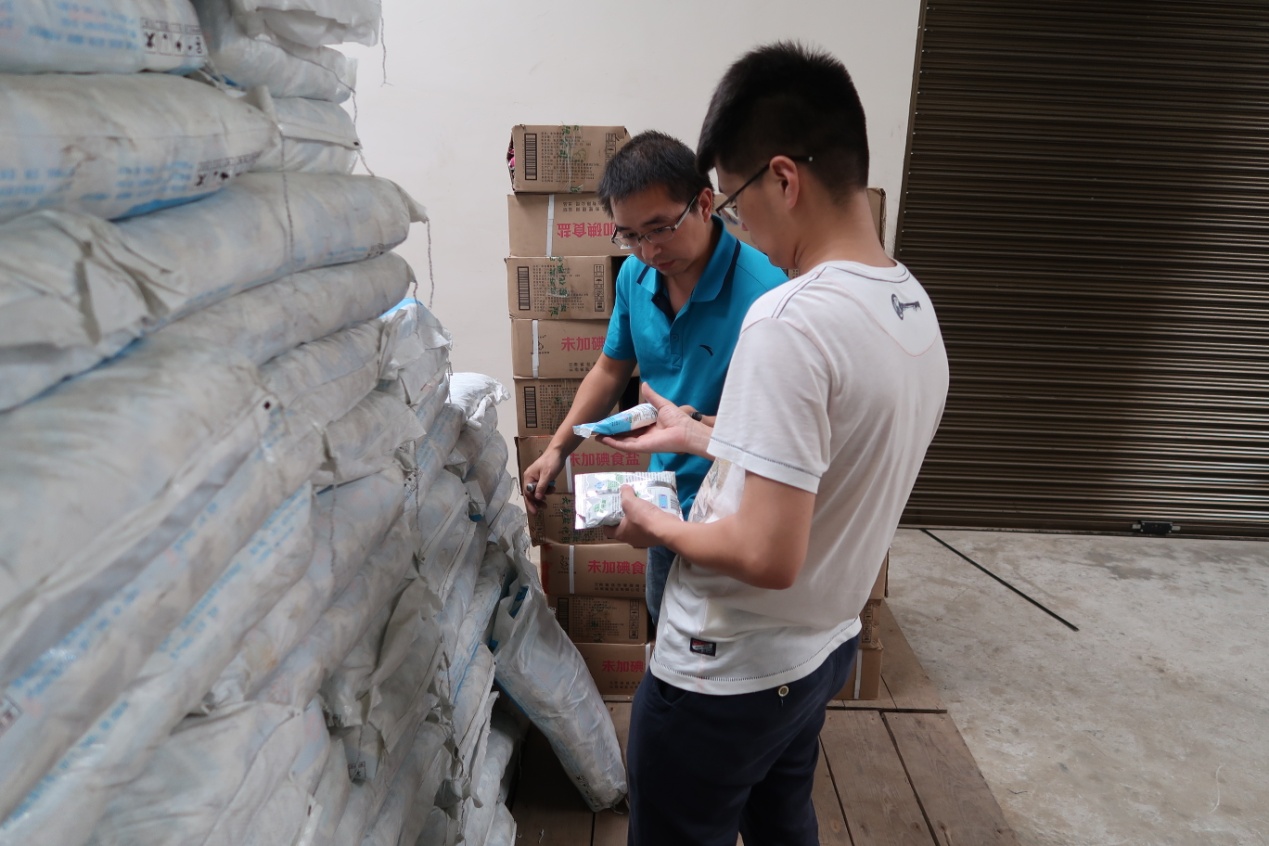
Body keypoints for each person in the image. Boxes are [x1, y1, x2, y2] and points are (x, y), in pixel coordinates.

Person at [598, 43, 951, 846]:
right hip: (818, 649)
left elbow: (765, 554)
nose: (738, 226)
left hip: (725, 669)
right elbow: (828, 456)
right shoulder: (909, 304)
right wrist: (702, 433)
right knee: (782, 824)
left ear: (783, 179)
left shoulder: (788, 320)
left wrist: (654, 525)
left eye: (730, 201)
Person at [520, 129, 787, 626]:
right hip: (664, 498)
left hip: (737, 511)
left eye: (660, 228)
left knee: (725, 643)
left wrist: (700, 428)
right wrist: (557, 449)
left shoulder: (768, 295)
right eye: (631, 235)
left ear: (704, 204)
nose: (648, 250)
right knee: (666, 624)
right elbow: (609, 369)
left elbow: (781, 433)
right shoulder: (634, 276)